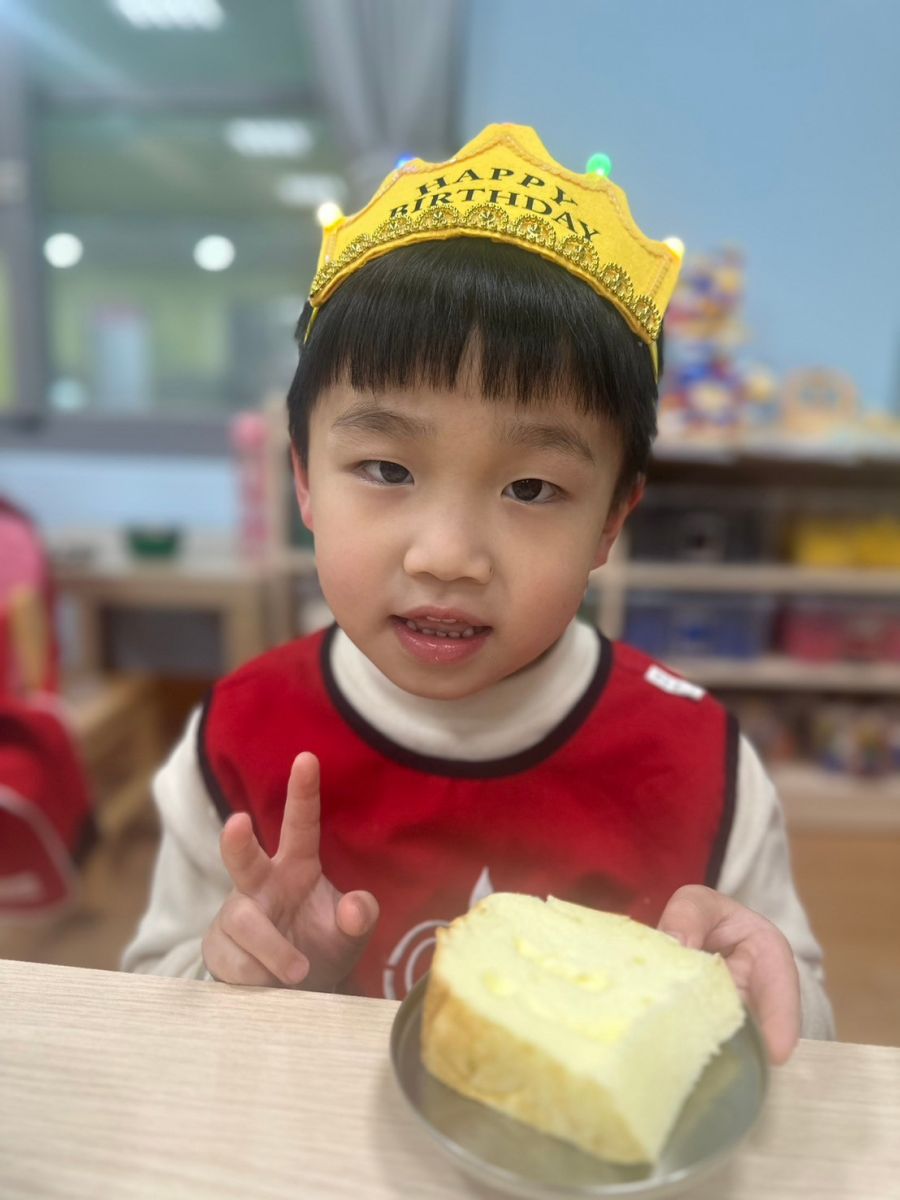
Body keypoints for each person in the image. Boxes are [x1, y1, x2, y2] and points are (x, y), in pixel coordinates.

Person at [123, 124, 833, 1060]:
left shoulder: (696, 759)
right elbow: (146, 1005)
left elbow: (804, 1028)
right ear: (303, 481)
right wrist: (249, 980)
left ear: (611, 522)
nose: (448, 556)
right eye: (386, 469)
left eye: (531, 489)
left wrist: (747, 994)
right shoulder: (237, 739)